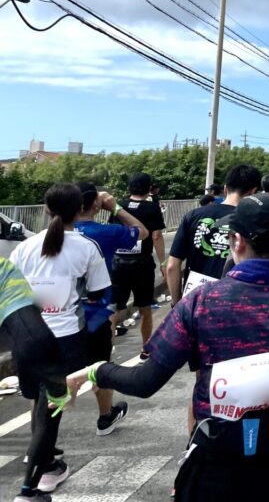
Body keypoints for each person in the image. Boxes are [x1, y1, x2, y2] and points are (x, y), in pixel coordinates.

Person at [66, 193, 269, 501]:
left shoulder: (201, 301)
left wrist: (97, 370)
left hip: (216, 459)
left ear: (236, 241)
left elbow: (145, 382)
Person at [11, 184, 111, 497]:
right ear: (80, 210)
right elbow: (99, 296)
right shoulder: (86, 247)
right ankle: (36, 482)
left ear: (45, 209)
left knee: (38, 403)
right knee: (51, 412)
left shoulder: (25, 246)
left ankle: (41, 457)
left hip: (25, 336)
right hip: (65, 339)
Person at [166, 164, 261, 435]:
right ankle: (234, 435)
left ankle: (195, 439)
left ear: (224, 189)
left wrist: (177, 305)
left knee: (203, 379)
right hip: (240, 304)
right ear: (254, 191)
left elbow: (172, 266)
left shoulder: (194, 215)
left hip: (197, 303)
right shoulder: (252, 220)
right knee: (242, 376)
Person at [74, 183, 148, 435]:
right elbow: (142, 232)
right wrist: (115, 206)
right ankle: (105, 417)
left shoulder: (55, 233)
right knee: (99, 365)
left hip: (56, 313)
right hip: (94, 314)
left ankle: (42, 436)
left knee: (51, 372)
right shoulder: (104, 233)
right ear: (96, 204)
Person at [2, 254, 72, 502]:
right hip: (42, 342)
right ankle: (28, 492)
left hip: (19, 350)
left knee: (39, 407)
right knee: (48, 418)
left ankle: (39, 479)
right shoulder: (4, 265)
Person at [115, 172, 166, 347]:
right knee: (145, 308)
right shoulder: (152, 208)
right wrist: (163, 263)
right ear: (149, 188)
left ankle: (104, 353)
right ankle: (146, 349)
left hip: (118, 262)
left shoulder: (118, 206)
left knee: (115, 308)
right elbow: (157, 236)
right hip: (142, 264)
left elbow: (112, 232)